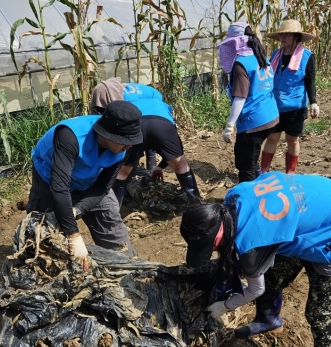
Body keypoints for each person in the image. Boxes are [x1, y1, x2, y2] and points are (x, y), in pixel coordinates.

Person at [180, 172, 331, 347]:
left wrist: (225, 306)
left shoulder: (251, 242)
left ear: (218, 234)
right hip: (313, 207)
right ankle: (269, 320)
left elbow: (254, 289)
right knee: (273, 275)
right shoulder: (231, 199)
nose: (212, 252)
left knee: (324, 318)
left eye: (210, 248)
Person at [26, 100, 143, 267]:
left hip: (90, 180)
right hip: (50, 179)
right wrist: (73, 235)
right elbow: (59, 188)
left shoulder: (124, 148)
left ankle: (126, 268)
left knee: (111, 226)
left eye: (132, 140)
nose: (129, 145)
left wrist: (78, 209)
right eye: (124, 140)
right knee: (42, 231)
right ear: (108, 134)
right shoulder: (70, 136)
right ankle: (37, 268)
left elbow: (102, 187)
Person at [90, 78, 201, 205]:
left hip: (135, 123)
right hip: (162, 123)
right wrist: (159, 167)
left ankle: (116, 208)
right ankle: (195, 204)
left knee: (122, 172)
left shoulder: (122, 96)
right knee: (181, 165)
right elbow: (169, 150)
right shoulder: (159, 102)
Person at [218, 22, 279, 182]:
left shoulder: (241, 64)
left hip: (254, 121)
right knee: (252, 155)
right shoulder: (260, 56)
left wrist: (230, 126)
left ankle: (251, 198)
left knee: (245, 165)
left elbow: (240, 98)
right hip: (271, 116)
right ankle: (261, 181)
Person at [260, 20, 320, 175]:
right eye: (281, 34)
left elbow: (310, 80)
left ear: (296, 37)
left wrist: (313, 102)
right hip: (275, 105)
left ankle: (290, 174)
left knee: (292, 140)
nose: (283, 37)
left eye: (287, 34)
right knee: (272, 138)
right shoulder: (275, 55)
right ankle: (264, 172)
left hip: (295, 107)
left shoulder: (307, 57)